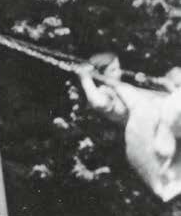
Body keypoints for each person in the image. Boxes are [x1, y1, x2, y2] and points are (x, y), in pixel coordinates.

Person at [78, 53, 181, 202]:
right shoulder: (106, 92)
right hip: (144, 138)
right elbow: (97, 102)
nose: (119, 73)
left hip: (155, 131)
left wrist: (168, 87)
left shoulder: (122, 88)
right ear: (99, 74)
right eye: (113, 70)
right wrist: (85, 78)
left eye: (118, 68)